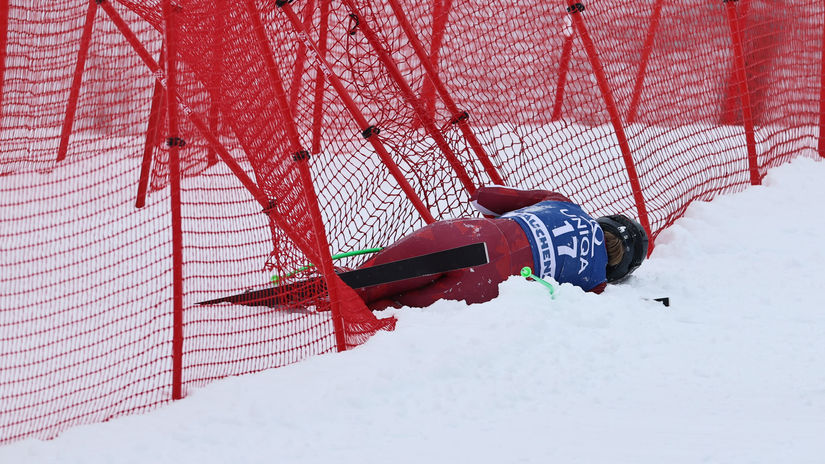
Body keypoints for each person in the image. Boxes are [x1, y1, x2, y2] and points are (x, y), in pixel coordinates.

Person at [355, 185, 649, 310]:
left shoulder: (564, 203)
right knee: (381, 310)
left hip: (468, 236)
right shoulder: (595, 284)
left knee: (357, 284)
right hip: (486, 283)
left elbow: (484, 197)